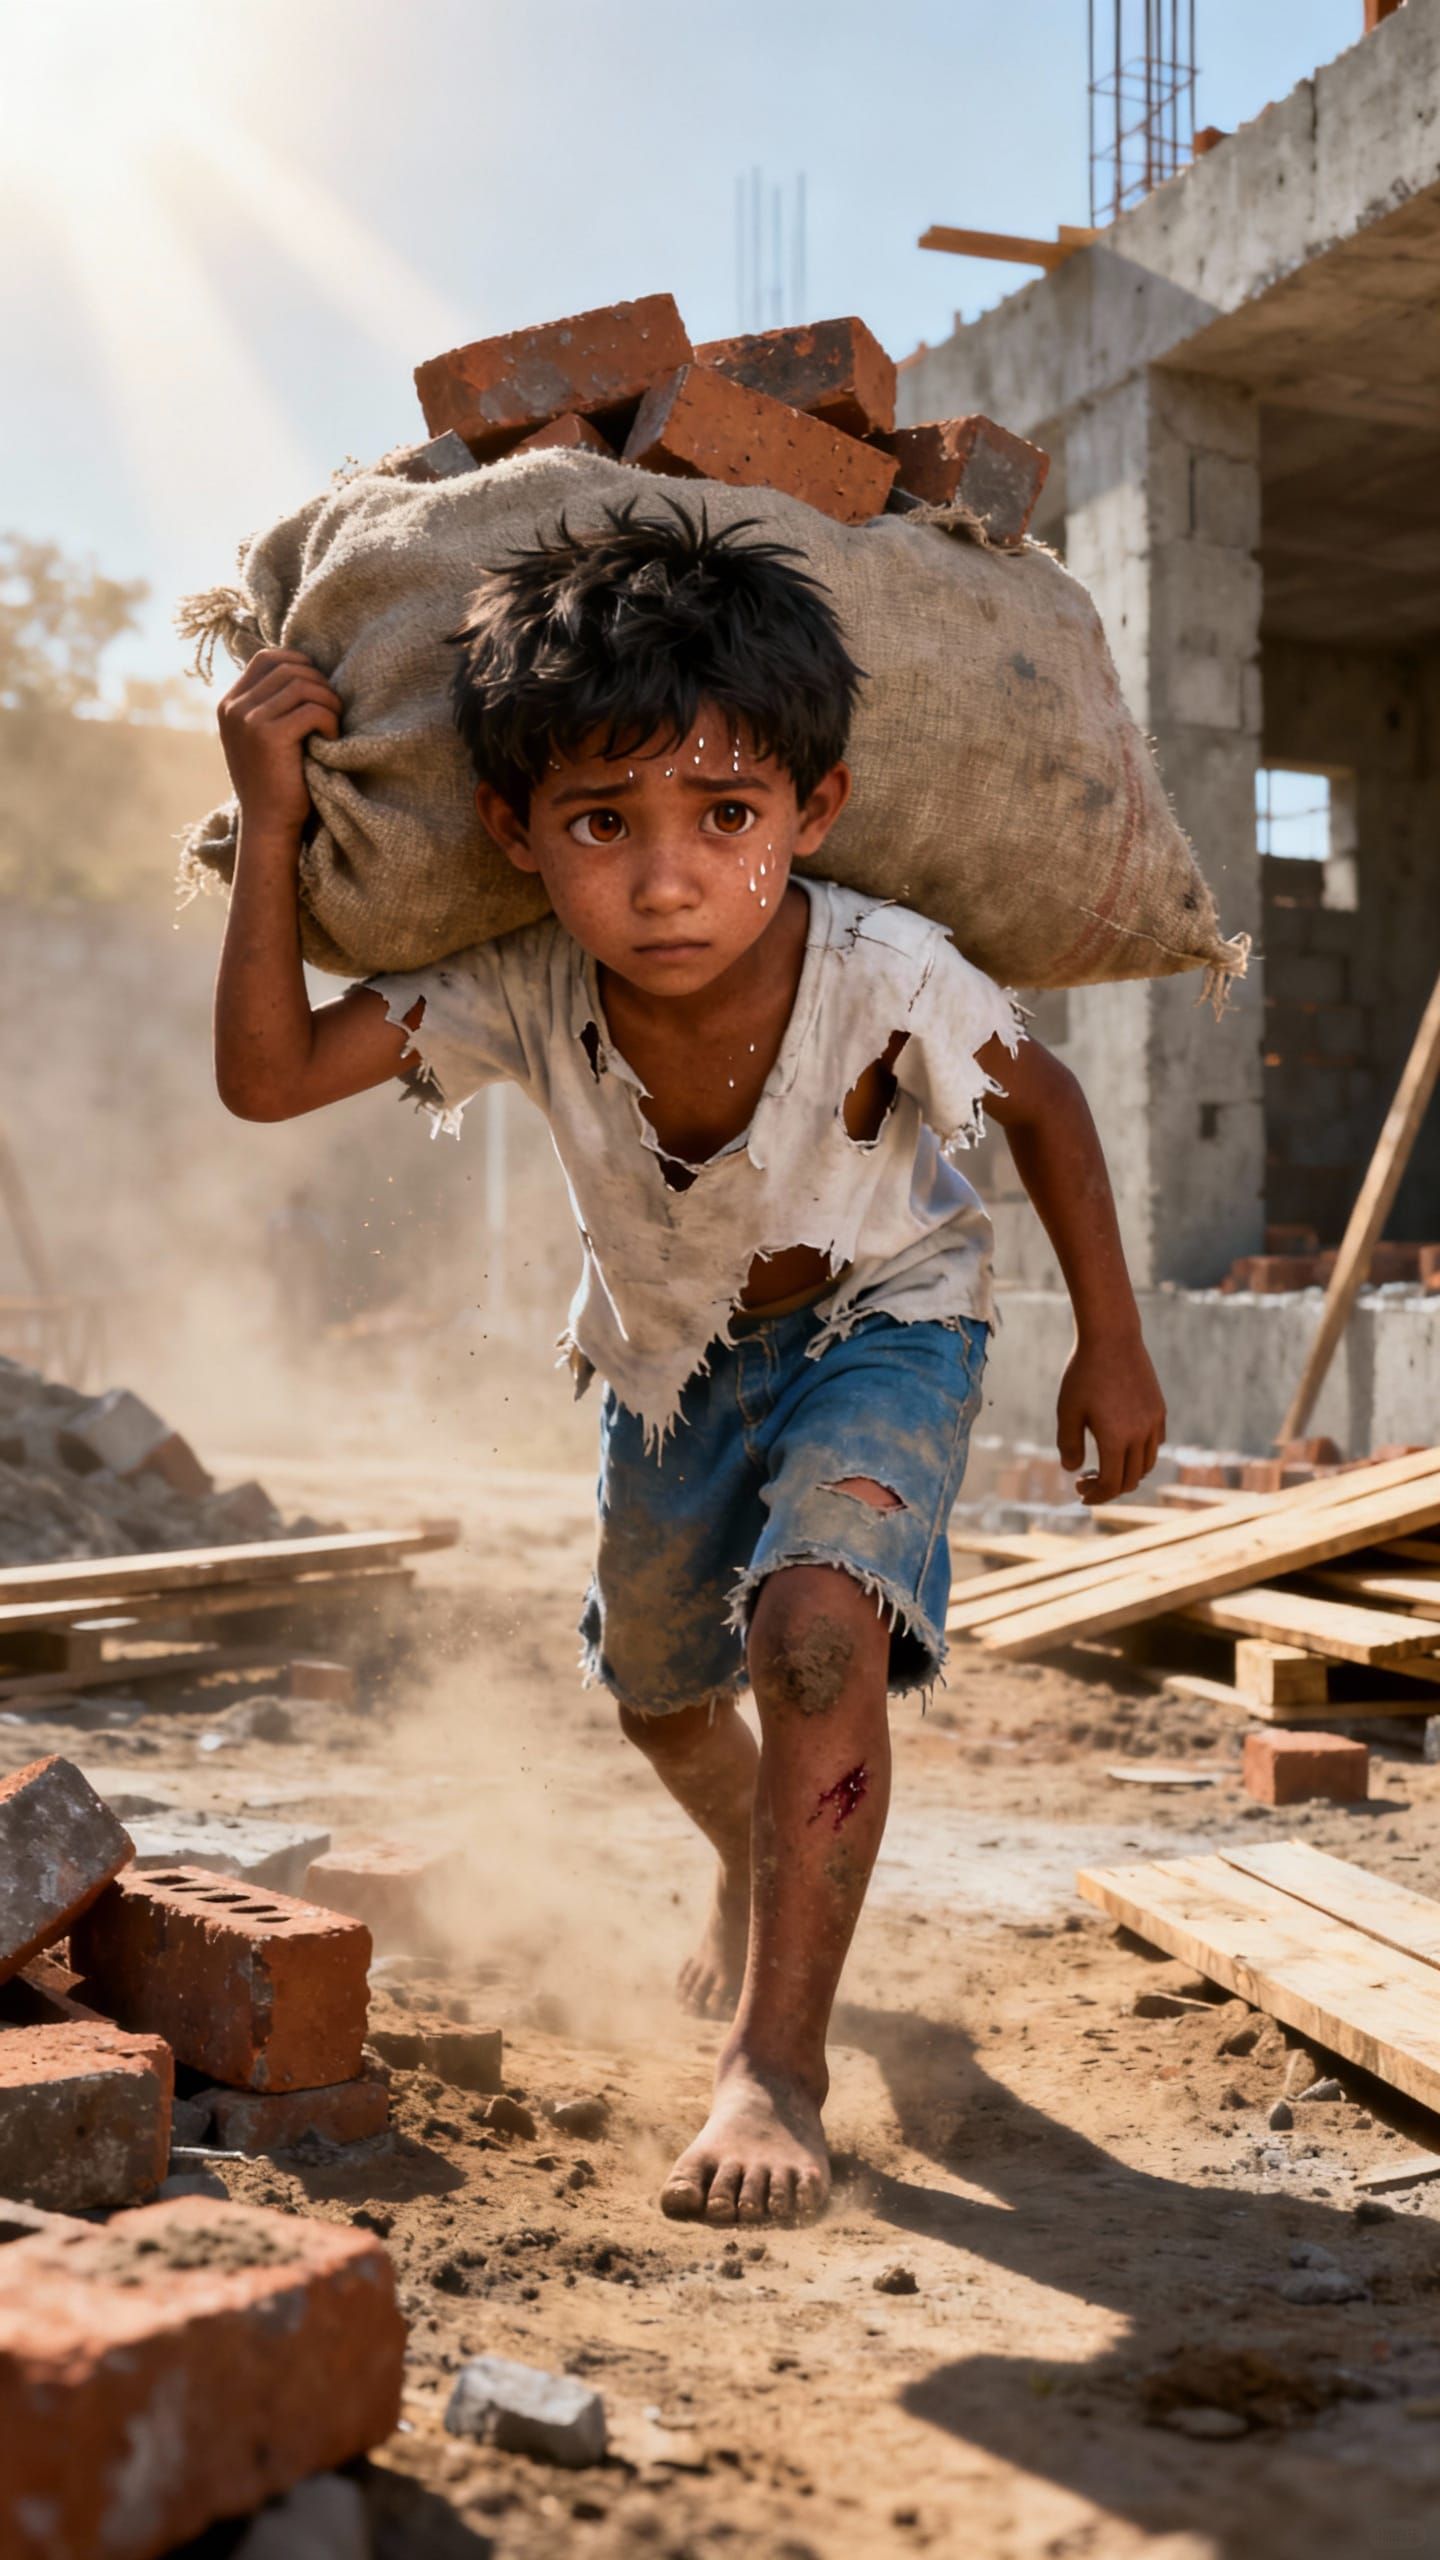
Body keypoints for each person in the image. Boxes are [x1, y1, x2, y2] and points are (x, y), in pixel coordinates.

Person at [213, 501, 1166, 2228]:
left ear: (813, 814)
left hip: (890, 1321)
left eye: (726, 816)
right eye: (603, 822)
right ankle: (756, 1854)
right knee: (661, 1698)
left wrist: (1113, 1339)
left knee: (813, 1634)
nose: (665, 877)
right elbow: (268, 1080)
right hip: (669, 1363)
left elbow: (1046, 1099)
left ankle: (774, 2065)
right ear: (514, 833)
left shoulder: (883, 968)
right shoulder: (514, 987)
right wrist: (276, 820)